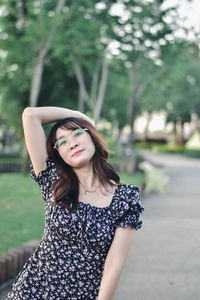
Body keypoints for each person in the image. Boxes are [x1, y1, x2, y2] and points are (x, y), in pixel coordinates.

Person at [6, 106, 144, 300]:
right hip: (32, 292)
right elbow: (30, 115)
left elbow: (114, 264)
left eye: (77, 133)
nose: (72, 143)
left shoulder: (125, 199)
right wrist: (80, 116)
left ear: (92, 136)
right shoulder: (53, 181)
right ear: (59, 154)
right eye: (62, 142)